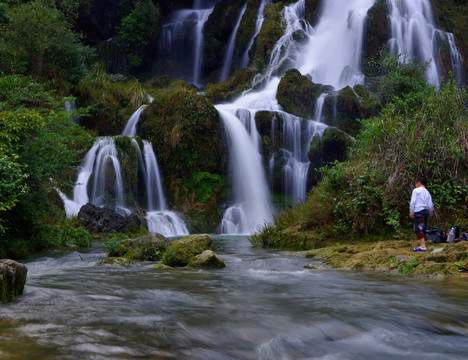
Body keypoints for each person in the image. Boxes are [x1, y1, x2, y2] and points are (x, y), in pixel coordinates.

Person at [409, 175, 434, 251]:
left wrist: (411, 211)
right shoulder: (427, 192)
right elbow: (430, 204)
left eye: (415, 184)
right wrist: (430, 214)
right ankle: (423, 244)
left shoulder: (416, 190)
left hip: (418, 211)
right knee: (423, 228)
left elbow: (413, 202)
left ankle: (422, 246)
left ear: (418, 183)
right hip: (425, 211)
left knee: (418, 228)